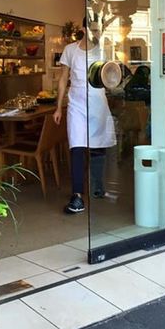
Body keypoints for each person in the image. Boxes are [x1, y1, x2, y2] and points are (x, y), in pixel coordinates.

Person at [53, 16, 116, 214]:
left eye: (98, 30)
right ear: (83, 28)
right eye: (93, 29)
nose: (96, 33)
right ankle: (77, 195)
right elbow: (63, 78)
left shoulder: (103, 50)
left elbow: (112, 76)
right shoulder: (70, 50)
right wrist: (58, 107)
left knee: (98, 146)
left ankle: (97, 185)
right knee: (77, 146)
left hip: (98, 102)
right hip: (76, 104)